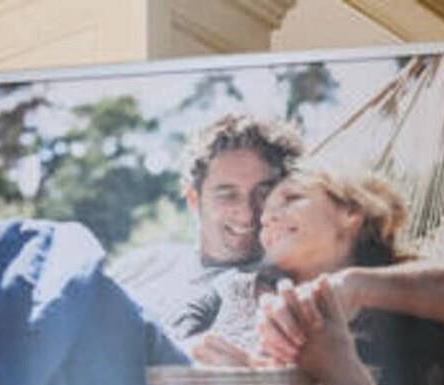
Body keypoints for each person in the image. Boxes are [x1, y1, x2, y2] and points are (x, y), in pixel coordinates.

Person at [184, 168, 444, 385]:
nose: (266, 219)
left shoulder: (406, 313)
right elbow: (173, 343)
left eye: (292, 198)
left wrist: (348, 288)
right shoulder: (236, 294)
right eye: (264, 216)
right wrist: (245, 381)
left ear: (351, 212)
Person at [111, 114, 304, 333]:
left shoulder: (280, 293)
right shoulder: (141, 265)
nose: (247, 213)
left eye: (264, 193)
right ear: (194, 199)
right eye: (227, 195)